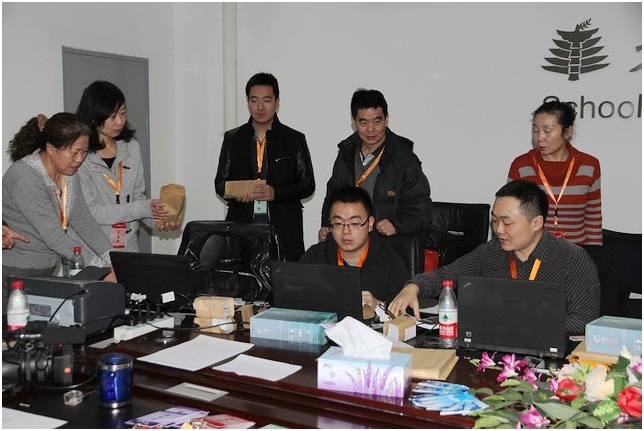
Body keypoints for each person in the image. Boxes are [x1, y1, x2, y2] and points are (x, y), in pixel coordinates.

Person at [388, 180, 600, 334]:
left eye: (507, 223)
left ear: (536, 223)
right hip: (495, 349)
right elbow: (445, 276)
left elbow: (584, 322)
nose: (498, 229)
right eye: (495, 220)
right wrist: (413, 287)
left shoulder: (572, 259)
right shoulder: (491, 252)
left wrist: (523, 319)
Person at [2, 113, 116, 311]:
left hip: (45, 270)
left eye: (84, 152)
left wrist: (112, 259)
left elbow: (84, 220)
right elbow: (54, 237)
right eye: (74, 152)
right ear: (51, 148)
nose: (79, 159)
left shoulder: (68, 173)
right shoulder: (25, 178)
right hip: (15, 272)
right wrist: (102, 270)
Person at [215, 72, 315, 261]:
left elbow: (308, 184)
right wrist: (237, 192)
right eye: (254, 100)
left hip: (283, 228)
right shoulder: (233, 139)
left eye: (267, 100)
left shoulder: (294, 139)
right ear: (248, 103)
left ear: (277, 102)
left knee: (284, 278)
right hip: (242, 226)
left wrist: (275, 192)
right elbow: (220, 184)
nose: (260, 107)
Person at [75, 80, 180, 252]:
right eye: (112, 116)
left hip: (128, 245)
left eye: (123, 113)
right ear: (94, 117)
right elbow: (91, 212)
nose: (119, 121)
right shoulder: (81, 155)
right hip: (94, 248)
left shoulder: (131, 147)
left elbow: (137, 197)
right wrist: (142, 208)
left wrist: (157, 219)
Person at [319, 88, 432, 245]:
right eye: (364, 122)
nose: (371, 129)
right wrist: (327, 224)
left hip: (386, 246)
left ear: (387, 119)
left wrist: (396, 225)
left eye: (377, 121)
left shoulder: (404, 159)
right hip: (349, 243)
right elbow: (332, 196)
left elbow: (421, 212)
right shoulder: (346, 154)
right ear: (353, 121)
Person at [507, 100, 602, 245]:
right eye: (535, 130)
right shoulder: (521, 166)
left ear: (567, 132)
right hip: (533, 254)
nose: (539, 138)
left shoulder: (589, 166)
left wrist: (594, 255)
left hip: (576, 254)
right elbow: (510, 216)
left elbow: (593, 219)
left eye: (547, 131)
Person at [300, 186, 408, 310]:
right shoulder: (315, 256)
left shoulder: (391, 263)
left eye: (355, 223)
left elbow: (406, 314)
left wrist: (379, 306)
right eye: (338, 223)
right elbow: (295, 299)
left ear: (370, 223)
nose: (346, 231)